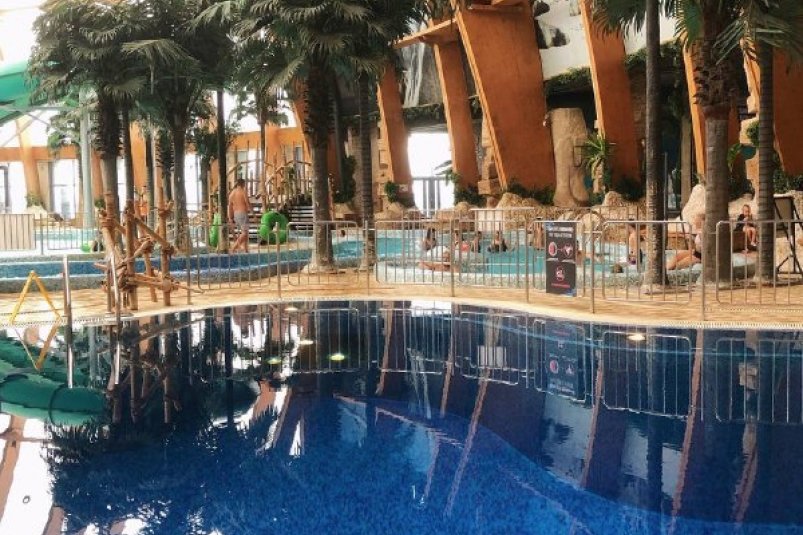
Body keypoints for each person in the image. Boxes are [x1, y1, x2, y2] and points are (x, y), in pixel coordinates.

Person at [228, 178, 251, 253]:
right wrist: (253, 214)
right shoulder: (242, 191)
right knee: (245, 233)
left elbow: (230, 206)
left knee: (245, 232)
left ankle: (246, 249)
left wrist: (230, 217)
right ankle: (234, 247)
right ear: (243, 184)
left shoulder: (232, 193)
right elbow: (247, 203)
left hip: (236, 214)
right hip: (242, 213)